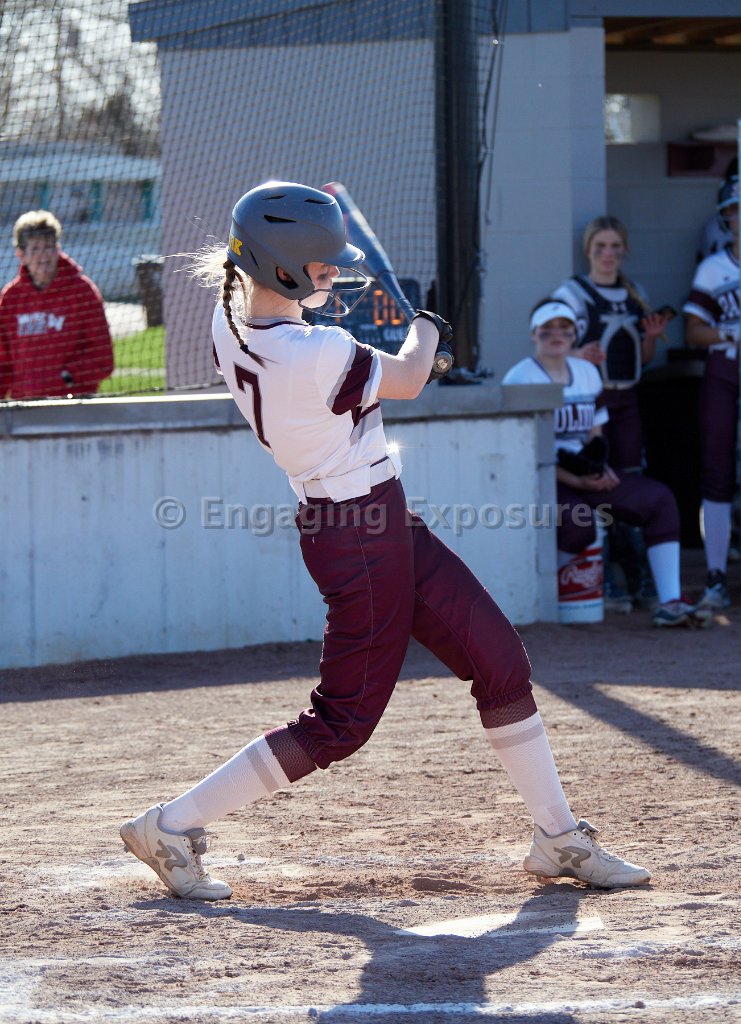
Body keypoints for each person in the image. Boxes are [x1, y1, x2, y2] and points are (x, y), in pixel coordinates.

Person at [120, 181, 650, 900]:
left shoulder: (230, 319)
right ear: (280, 267)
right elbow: (410, 377)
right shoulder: (315, 351)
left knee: (499, 660)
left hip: (376, 521)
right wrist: (427, 327)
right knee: (340, 723)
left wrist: (405, 331)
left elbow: (343, 346)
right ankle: (171, 825)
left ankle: (558, 836)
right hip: (358, 537)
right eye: (320, 265)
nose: (332, 275)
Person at [502, 299, 712, 630]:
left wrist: (599, 470)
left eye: (564, 328)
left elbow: (595, 437)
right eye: (548, 329)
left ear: (575, 334)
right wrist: (575, 480)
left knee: (659, 500)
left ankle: (670, 601)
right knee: (580, 523)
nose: (556, 335)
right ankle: (536, 593)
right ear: (533, 334)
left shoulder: (587, 373)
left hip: (583, 474)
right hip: (544, 479)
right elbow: (523, 452)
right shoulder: (520, 378)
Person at [551, 216, 675, 611]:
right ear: (588, 251)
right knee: (595, 479)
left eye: (615, 247)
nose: (608, 254)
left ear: (624, 251)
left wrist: (651, 338)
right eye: (600, 247)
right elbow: (549, 344)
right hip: (591, 400)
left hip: (628, 398)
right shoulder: (572, 293)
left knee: (629, 480)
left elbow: (643, 357)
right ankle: (604, 578)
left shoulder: (635, 293)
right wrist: (576, 354)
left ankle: (637, 575)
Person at [683, 174, 741, 609]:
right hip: (727, 367)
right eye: (734, 210)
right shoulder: (714, 267)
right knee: (717, 467)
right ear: (725, 218)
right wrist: (735, 335)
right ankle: (716, 575)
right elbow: (693, 330)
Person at [0, 210, 113, 400]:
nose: (43, 256)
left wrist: (68, 377)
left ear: (58, 249)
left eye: (48, 247)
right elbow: (3, 361)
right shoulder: (12, 298)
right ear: (21, 255)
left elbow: (103, 357)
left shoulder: (81, 291)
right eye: (35, 249)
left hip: (73, 405)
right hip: (24, 408)